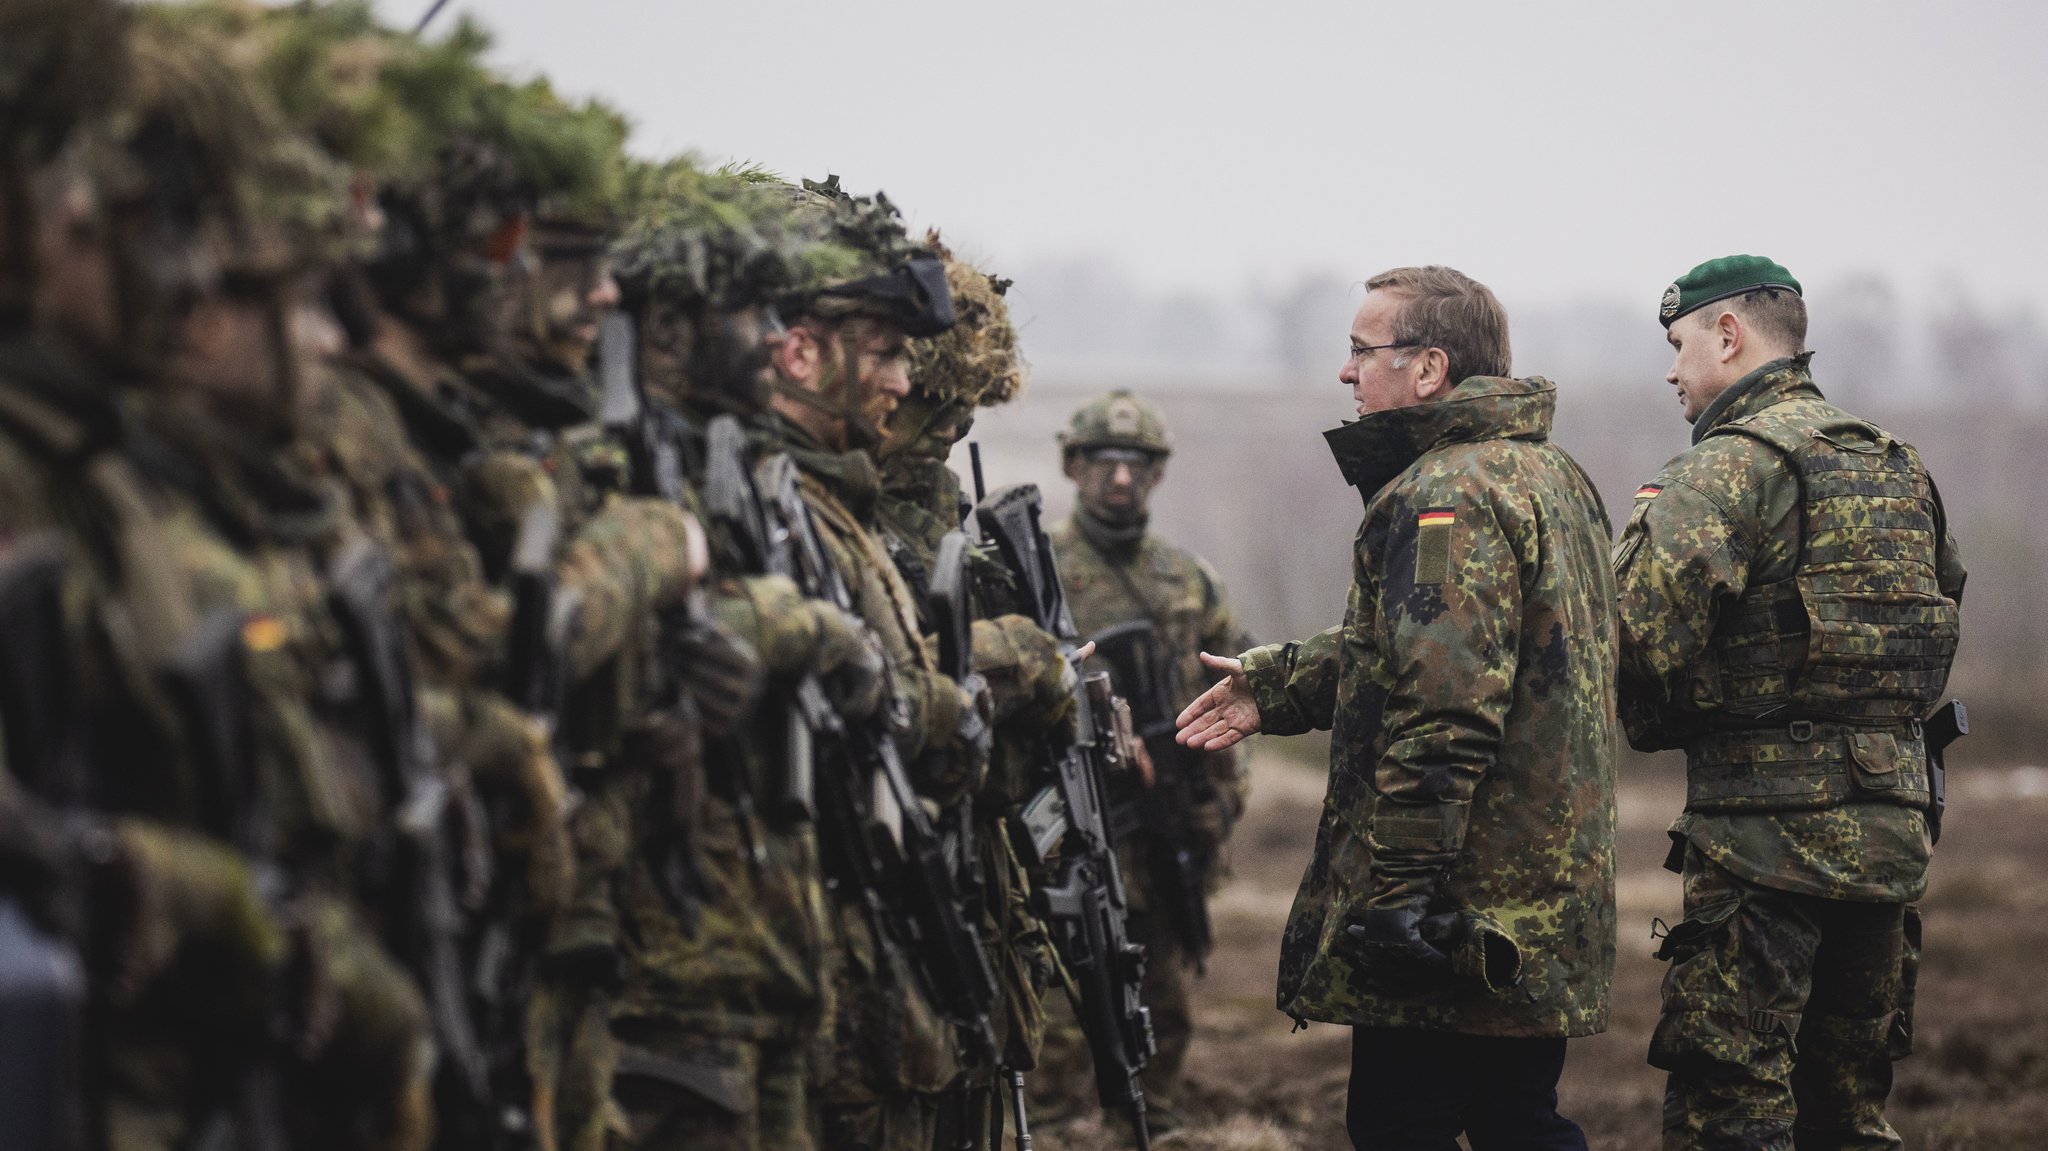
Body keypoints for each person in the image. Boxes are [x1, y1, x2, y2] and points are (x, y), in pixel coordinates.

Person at [1175, 265, 1617, 1150]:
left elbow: (1447, 703)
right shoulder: (1550, 477)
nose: (1346, 373)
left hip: (1456, 906)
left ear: (1429, 369)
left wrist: (1401, 893)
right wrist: (1281, 682)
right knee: (1514, 1116)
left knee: (1404, 1124)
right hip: (1539, 896)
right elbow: (1441, 648)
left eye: (1360, 350)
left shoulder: (1445, 494)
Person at [1612, 255, 1965, 1150]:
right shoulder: (1895, 465)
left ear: (1729, 336)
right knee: (1846, 1113)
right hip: (1890, 838)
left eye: (1679, 343)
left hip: (1762, 845)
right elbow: (1941, 606)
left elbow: (1633, 636)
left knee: (1732, 1108)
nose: (1671, 369)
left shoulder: (1729, 468)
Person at [1043, 387, 1250, 1127]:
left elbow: (1231, 697)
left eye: (1136, 462)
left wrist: (1220, 804)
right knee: (1057, 1006)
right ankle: (1053, 1127)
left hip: (1165, 830)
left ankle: (1149, 1123)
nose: (1121, 477)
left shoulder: (1189, 579)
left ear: (1156, 473)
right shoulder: (1040, 569)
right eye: (1104, 459)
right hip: (1069, 825)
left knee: (1163, 1001)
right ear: (1074, 464)